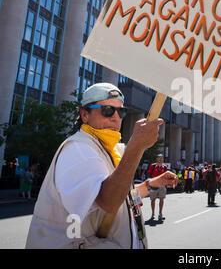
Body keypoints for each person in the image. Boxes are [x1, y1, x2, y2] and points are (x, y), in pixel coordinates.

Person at [26, 83, 178, 249]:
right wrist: (136, 146)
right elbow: (109, 201)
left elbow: (122, 198)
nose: (116, 117)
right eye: (107, 110)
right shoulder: (78, 148)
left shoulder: (112, 150)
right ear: (85, 114)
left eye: (121, 111)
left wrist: (151, 184)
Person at [147, 154, 168, 221]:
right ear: (156, 159)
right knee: (153, 200)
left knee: (161, 199)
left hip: (162, 185)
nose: (161, 159)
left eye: (162, 158)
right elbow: (149, 174)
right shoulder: (152, 166)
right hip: (154, 185)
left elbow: (166, 176)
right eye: (159, 158)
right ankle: (153, 214)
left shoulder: (164, 167)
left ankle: (160, 213)